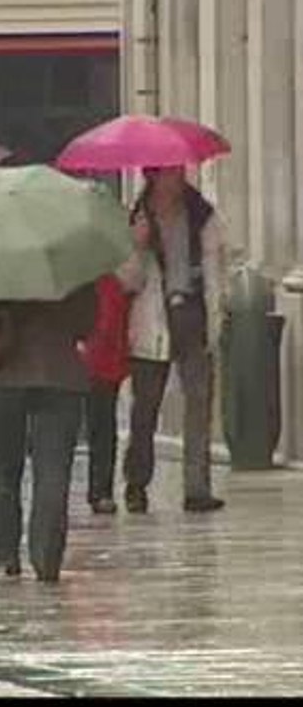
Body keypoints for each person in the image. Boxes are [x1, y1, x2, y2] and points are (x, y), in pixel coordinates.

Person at [119, 166, 229, 514]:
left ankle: (197, 488)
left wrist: (218, 312)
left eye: (180, 170)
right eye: (169, 172)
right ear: (153, 176)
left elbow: (217, 268)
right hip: (153, 319)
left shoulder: (202, 215)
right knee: (146, 407)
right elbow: (127, 282)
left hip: (193, 314)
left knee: (198, 402)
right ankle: (137, 481)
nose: (178, 178)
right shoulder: (137, 218)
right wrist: (137, 248)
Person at [0, 284, 96, 582]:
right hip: (60, 376)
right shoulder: (74, 267)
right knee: (53, 470)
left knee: (4, 467)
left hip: (6, 377)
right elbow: (86, 324)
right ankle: (47, 555)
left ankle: (5, 548)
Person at [77, 274, 131, 515]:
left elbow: (110, 326)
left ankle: (100, 490)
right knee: (102, 428)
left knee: (99, 428)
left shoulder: (99, 284)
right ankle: (100, 491)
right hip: (103, 365)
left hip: (96, 364)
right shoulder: (111, 283)